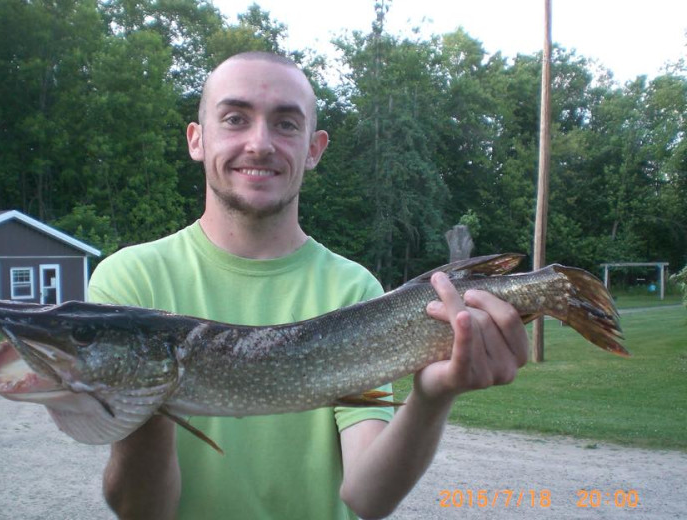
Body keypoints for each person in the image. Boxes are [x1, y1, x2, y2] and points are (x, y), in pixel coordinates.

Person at [88, 51, 528, 520]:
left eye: (285, 124)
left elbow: (367, 497)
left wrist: (432, 397)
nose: (259, 144)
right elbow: (143, 512)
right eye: (235, 119)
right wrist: (150, 393)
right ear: (197, 139)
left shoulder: (353, 288)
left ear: (313, 148)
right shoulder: (130, 281)